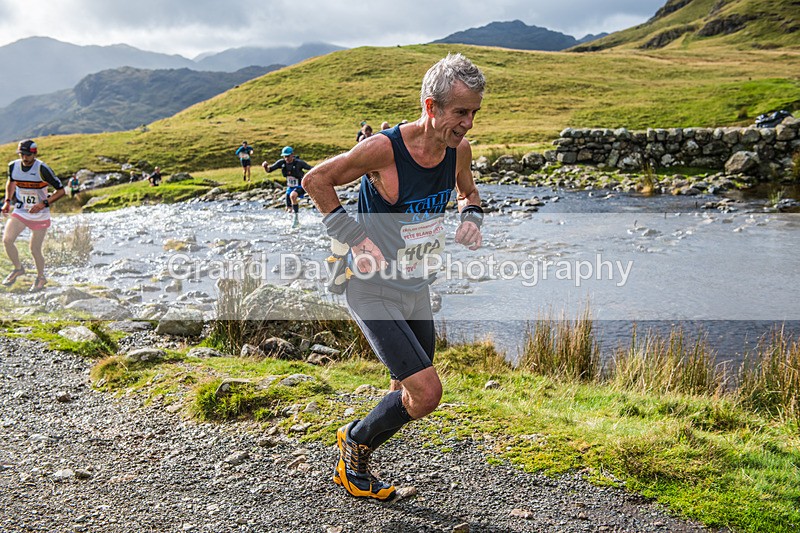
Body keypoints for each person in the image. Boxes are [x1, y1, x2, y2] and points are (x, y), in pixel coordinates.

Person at [302, 53, 485, 501]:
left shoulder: (458, 150)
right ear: (431, 107)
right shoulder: (384, 150)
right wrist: (355, 237)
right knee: (426, 393)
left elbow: (469, 192)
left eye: (475, 113)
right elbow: (316, 181)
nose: (469, 124)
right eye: (461, 112)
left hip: (415, 285)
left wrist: (471, 219)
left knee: (405, 387)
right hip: (369, 286)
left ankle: (358, 449)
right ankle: (356, 447)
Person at [2, 139, 66, 292]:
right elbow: (11, 182)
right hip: (21, 210)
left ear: (34, 153)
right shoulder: (13, 166)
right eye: (21, 154)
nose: (24, 158)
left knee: (34, 249)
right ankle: (18, 269)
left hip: (40, 214)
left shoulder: (43, 169)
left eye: (27, 155)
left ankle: (41, 277)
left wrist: (43, 204)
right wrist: (7, 201)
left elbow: (61, 191)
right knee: (7, 240)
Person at [262, 146, 313, 228]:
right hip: (290, 187)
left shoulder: (299, 163)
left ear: (292, 155)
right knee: (289, 209)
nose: (286, 158)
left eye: (288, 156)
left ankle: (296, 219)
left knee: (293, 196)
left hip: (301, 185)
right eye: (284, 156)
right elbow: (269, 170)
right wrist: (265, 166)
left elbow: (311, 169)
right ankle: (292, 220)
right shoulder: (281, 163)